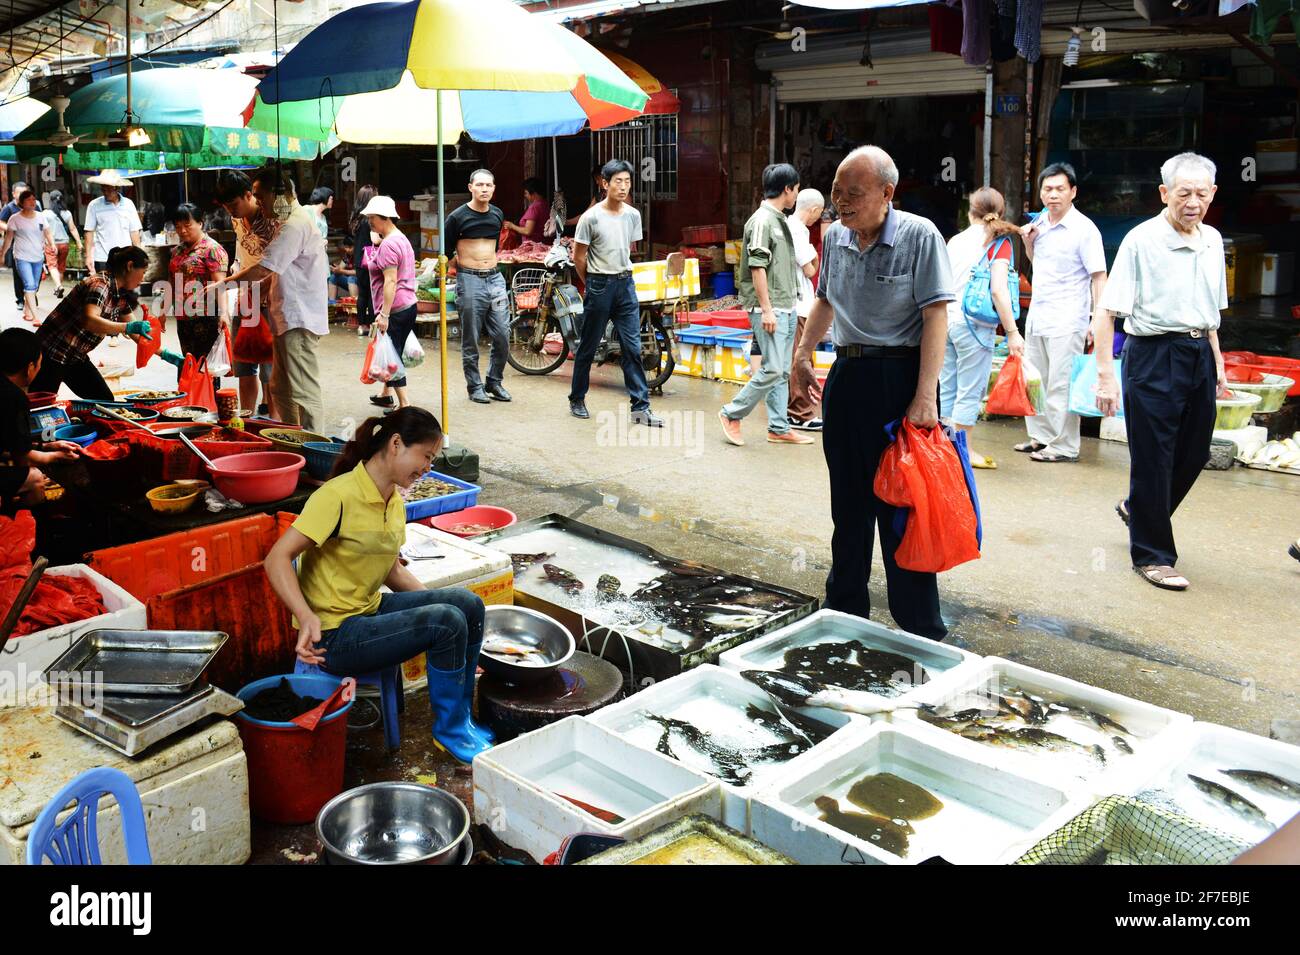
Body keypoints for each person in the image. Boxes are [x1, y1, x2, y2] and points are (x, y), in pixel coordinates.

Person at [789, 146, 955, 640]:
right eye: (837, 191)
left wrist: (926, 396)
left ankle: (919, 625)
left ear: (887, 193)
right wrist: (801, 356)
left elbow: (935, 316)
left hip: (901, 380)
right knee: (849, 503)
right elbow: (824, 299)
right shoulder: (837, 235)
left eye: (853, 194)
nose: (841, 202)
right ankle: (845, 608)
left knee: (903, 505)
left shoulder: (920, 236)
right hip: (848, 376)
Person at [263, 407, 492, 763]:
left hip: (367, 612)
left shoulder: (394, 503)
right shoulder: (336, 496)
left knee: (466, 605)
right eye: (426, 456)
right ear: (397, 444)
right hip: (335, 635)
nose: (428, 467)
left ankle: (461, 719)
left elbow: (393, 574)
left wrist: (453, 627)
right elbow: (277, 558)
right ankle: (449, 732)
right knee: (445, 620)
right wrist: (305, 617)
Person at [1092, 152, 1229, 593]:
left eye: (1201, 193)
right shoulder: (1141, 240)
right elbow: (1107, 312)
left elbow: (1210, 316)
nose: (1193, 202)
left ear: (1213, 194)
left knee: (1194, 452)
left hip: (1198, 353)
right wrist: (1105, 376)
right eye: (1183, 193)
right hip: (1152, 354)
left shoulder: (1212, 240)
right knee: (1154, 458)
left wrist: (1219, 365)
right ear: (1164, 193)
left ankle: (1139, 509)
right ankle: (1152, 555)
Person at [220, 163, 329, 432]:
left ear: (278, 195)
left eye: (260, 196)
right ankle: (295, 440)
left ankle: (314, 446)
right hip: (286, 315)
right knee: (282, 388)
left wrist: (222, 286)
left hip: (299, 318)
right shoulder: (285, 220)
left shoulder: (294, 224)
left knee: (303, 391)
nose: (257, 202)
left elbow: (263, 268)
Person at [1016, 162, 1107, 463]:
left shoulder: (1084, 230)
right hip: (1039, 315)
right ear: (1040, 193)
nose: (1053, 194)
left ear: (1073, 192)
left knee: (1060, 383)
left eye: (1060, 189)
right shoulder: (1039, 223)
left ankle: (1065, 446)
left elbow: (1098, 276)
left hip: (1068, 318)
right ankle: (1040, 437)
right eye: (1047, 189)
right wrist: (1028, 243)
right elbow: (1035, 262)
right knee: (1036, 381)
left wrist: (1097, 319)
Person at [718, 164, 813, 447]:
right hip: (768, 309)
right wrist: (767, 309)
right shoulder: (762, 221)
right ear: (787, 189)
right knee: (772, 369)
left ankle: (778, 427)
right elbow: (758, 268)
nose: (796, 195)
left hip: (785, 305)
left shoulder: (779, 219)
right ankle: (731, 413)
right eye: (795, 189)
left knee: (782, 371)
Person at [569, 159, 662, 427]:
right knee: (588, 345)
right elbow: (579, 257)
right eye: (617, 181)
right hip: (599, 285)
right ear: (604, 183)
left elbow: (628, 248)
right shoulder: (590, 217)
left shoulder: (633, 215)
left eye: (627, 181)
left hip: (625, 285)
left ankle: (640, 408)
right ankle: (577, 398)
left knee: (632, 348)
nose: (623, 186)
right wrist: (593, 283)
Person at [939, 187, 1026, 470]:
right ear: (1000, 212)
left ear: (970, 211)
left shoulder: (955, 241)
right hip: (974, 326)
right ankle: (964, 451)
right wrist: (1012, 332)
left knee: (949, 388)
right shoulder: (999, 243)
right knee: (970, 390)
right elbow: (999, 290)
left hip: (946, 322)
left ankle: (947, 447)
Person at [30, 246, 153, 401]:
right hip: (51, 353)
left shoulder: (119, 295)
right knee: (40, 405)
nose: (142, 279)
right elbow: (89, 320)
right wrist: (125, 327)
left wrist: (166, 355)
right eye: (143, 272)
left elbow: (139, 335)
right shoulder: (99, 284)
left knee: (104, 400)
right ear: (129, 266)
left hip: (75, 357)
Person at [443, 168, 510, 405]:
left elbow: (494, 246)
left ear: (493, 188)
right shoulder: (457, 217)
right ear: (470, 187)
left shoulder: (497, 214)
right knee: (470, 336)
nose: (484, 189)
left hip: (495, 278)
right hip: (469, 280)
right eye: (479, 185)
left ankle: (495, 381)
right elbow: (445, 250)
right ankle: (474, 386)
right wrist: (455, 269)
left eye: (488, 185)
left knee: (503, 333)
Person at [215, 169, 278, 418]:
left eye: (234, 202)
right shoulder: (237, 219)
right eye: (225, 205)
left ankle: (275, 423)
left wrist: (258, 291)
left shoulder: (271, 221)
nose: (230, 209)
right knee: (244, 368)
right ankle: (248, 420)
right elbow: (242, 255)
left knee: (271, 372)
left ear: (249, 194)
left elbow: (277, 266)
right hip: (245, 299)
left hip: (270, 302)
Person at [1, 328, 83, 514]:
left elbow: (9, 444)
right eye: (39, 364)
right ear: (29, 367)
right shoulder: (13, 397)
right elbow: (23, 459)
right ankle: (34, 525)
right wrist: (57, 456)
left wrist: (47, 447)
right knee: (34, 478)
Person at [359, 196, 418, 411]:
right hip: (407, 304)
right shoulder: (399, 238)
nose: (370, 222)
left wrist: (384, 315)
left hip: (395, 308)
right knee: (393, 350)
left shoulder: (390, 245)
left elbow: (390, 281)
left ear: (384, 218)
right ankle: (386, 394)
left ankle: (404, 404)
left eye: (372, 218)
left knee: (392, 358)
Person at [166, 203, 230, 374]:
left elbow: (220, 284)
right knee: (188, 366)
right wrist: (162, 311)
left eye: (187, 225)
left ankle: (207, 401)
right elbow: (171, 281)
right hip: (183, 318)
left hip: (206, 318)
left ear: (200, 223)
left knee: (206, 370)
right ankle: (190, 400)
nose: (183, 230)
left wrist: (224, 313)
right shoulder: (177, 251)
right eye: (178, 226)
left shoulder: (212, 250)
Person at [788, 187, 826, 432]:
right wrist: (814, 258)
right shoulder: (798, 231)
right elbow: (811, 269)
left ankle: (794, 410)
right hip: (799, 303)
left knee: (796, 358)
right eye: (819, 214)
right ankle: (799, 413)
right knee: (799, 360)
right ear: (814, 210)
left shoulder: (791, 227)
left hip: (797, 302)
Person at [0, 190, 55, 325]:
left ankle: (26, 308)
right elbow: (9, 238)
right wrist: (2, 254)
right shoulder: (15, 218)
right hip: (21, 256)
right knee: (29, 284)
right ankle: (35, 316)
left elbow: (47, 233)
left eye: (34, 199)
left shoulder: (41, 217)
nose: (33, 202)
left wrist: (52, 244)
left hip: (38, 256)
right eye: (29, 200)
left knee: (34, 286)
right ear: (22, 203)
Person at [82, 170, 142, 277]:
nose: (106, 193)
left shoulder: (129, 204)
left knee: (125, 292)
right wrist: (88, 257)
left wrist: (139, 256)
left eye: (109, 189)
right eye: (103, 189)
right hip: (102, 259)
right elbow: (89, 232)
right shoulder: (94, 205)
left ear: (117, 188)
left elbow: (134, 232)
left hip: (125, 258)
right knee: (105, 290)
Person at [1, 180, 41, 310]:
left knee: (36, 276)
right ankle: (20, 299)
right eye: (19, 192)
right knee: (19, 275)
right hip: (16, 246)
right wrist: (12, 228)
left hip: (35, 247)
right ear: (13, 194)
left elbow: (41, 223)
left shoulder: (35, 205)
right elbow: (0, 222)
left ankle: (30, 295)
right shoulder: (9, 208)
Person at [41, 190, 82, 300]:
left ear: (50, 200)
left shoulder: (45, 213)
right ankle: (57, 288)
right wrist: (78, 241)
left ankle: (59, 286)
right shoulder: (67, 213)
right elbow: (72, 229)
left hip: (51, 244)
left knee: (52, 266)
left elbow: (42, 230)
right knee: (61, 267)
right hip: (64, 244)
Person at [352, 184, 378, 338]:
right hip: (370, 260)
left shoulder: (356, 217)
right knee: (372, 295)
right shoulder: (369, 220)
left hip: (359, 260)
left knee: (363, 294)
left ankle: (362, 325)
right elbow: (374, 239)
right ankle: (371, 325)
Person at [504, 177, 549, 244]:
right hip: (544, 243)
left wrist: (512, 226)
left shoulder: (534, 207)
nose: (525, 196)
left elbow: (527, 231)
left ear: (534, 193)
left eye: (526, 193)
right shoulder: (546, 204)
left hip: (532, 246)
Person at [329, 236, 357, 303]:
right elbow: (341, 267)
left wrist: (341, 271)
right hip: (350, 283)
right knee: (333, 277)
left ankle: (355, 304)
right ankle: (332, 303)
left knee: (351, 278)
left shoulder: (359, 254)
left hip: (361, 282)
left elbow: (357, 272)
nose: (348, 250)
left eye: (350, 247)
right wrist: (335, 269)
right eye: (346, 247)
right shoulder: (347, 255)